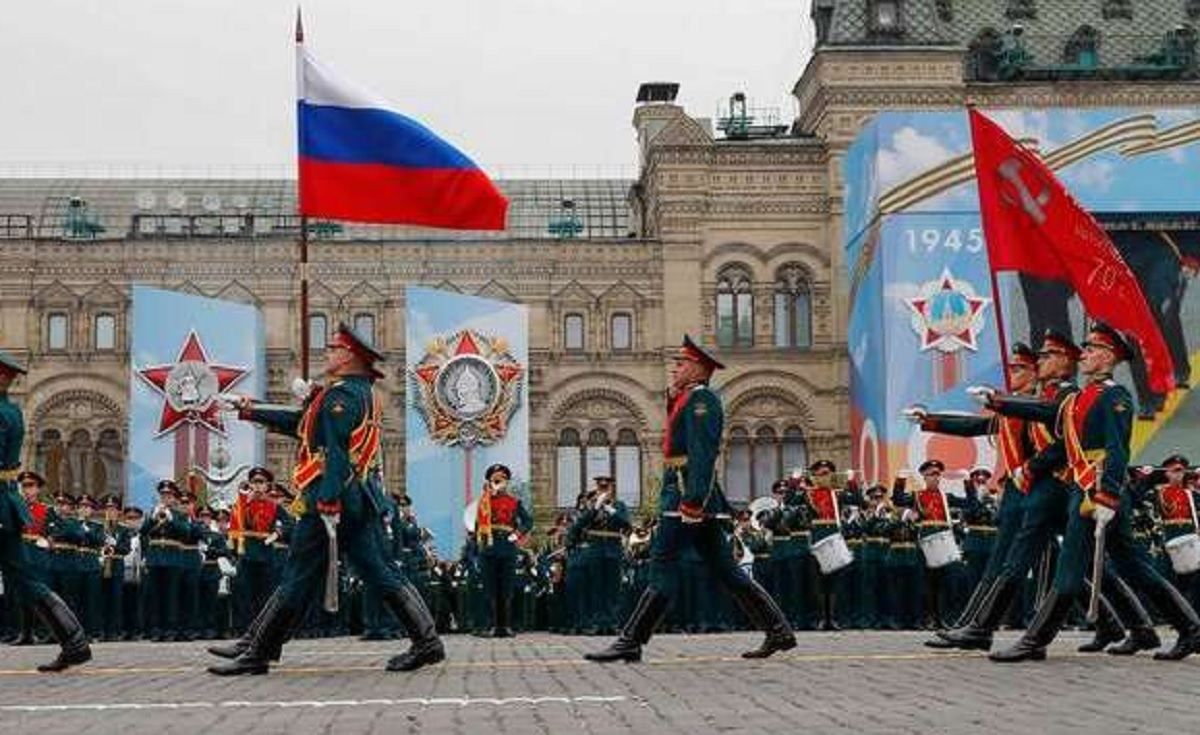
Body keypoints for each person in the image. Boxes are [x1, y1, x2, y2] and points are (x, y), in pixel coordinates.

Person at [208, 323, 443, 675]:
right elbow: (305, 424)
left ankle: (258, 650)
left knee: (299, 573)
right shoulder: (356, 392)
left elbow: (336, 452)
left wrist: (328, 501)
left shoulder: (342, 397)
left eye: (334, 347)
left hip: (331, 496)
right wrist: (249, 408)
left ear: (349, 356)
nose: (328, 351)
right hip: (357, 498)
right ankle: (428, 642)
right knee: (379, 570)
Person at [988, 323, 1200, 662]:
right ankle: (1190, 629)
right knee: (1135, 567)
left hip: (1096, 493)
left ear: (1108, 356)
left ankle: (1034, 641)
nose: (1082, 354)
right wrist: (1000, 402)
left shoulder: (1115, 397)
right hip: (1084, 489)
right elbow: (1047, 411)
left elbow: (1117, 451)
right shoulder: (1081, 397)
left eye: (1090, 349)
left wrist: (1108, 496)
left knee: (1070, 568)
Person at [586, 335, 795, 662]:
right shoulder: (687, 398)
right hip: (687, 494)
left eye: (681, 364)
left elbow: (703, 452)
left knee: (662, 564)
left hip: (686, 496)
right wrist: (672, 401)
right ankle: (779, 631)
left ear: (698, 369)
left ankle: (631, 640)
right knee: (726, 569)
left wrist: (693, 502)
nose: (674, 369)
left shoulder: (703, 400)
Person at [0, 350, 91, 671]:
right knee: (23, 578)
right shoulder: (12, 411)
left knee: (23, 578)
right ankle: (74, 641)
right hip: (6, 504)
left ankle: (75, 642)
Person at [474, 463, 533, 637]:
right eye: (495, 480)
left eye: (502, 479)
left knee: (507, 587)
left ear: (507, 482)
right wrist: (488, 497)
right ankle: (491, 625)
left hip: (507, 546)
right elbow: (478, 526)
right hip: (489, 547)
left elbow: (528, 521)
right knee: (490, 587)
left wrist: (517, 534)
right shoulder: (484, 501)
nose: (498, 482)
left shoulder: (514, 502)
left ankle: (506, 626)